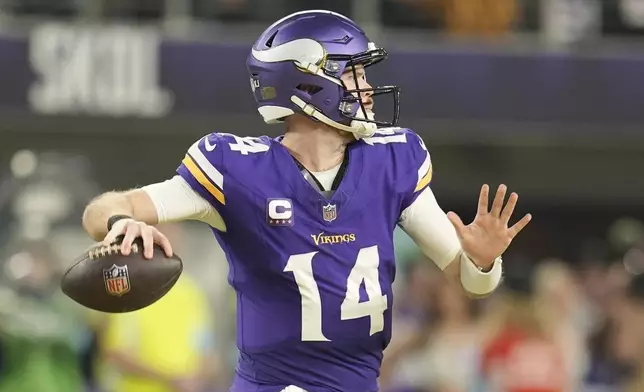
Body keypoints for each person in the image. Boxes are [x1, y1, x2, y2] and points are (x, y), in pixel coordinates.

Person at [81, 10, 531, 392]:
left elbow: (472, 283)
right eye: (354, 73)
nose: (367, 89)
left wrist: (484, 262)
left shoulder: (392, 160)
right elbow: (101, 209)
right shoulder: (237, 168)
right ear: (309, 85)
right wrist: (123, 222)